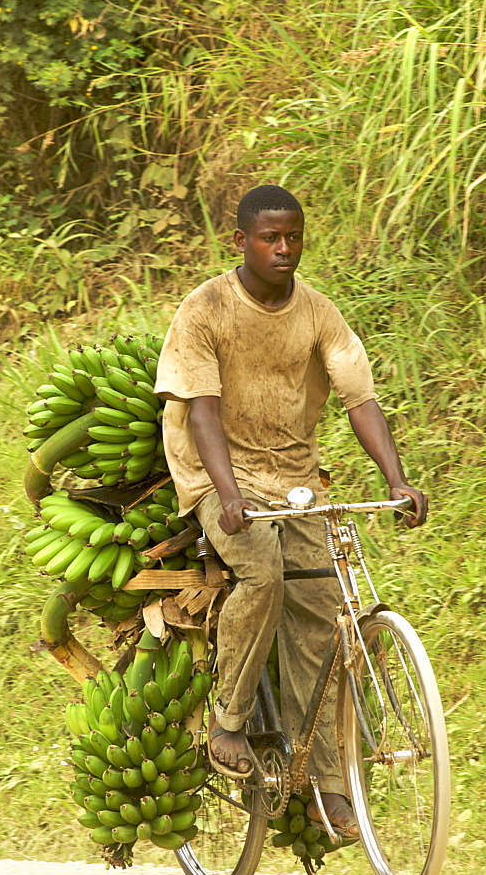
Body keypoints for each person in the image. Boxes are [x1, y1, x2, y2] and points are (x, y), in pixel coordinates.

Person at [155, 185, 427, 837]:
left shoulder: (317, 311)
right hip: (218, 476)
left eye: (294, 236)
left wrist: (398, 479)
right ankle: (229, 720)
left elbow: (359, 397)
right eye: (270, 237)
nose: (284, 248)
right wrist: (225, 495)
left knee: (328, 612)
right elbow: (203, 411)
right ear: (241, 241)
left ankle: (328, 785)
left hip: (294, 479)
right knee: (264, 576)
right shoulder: (207, 308)